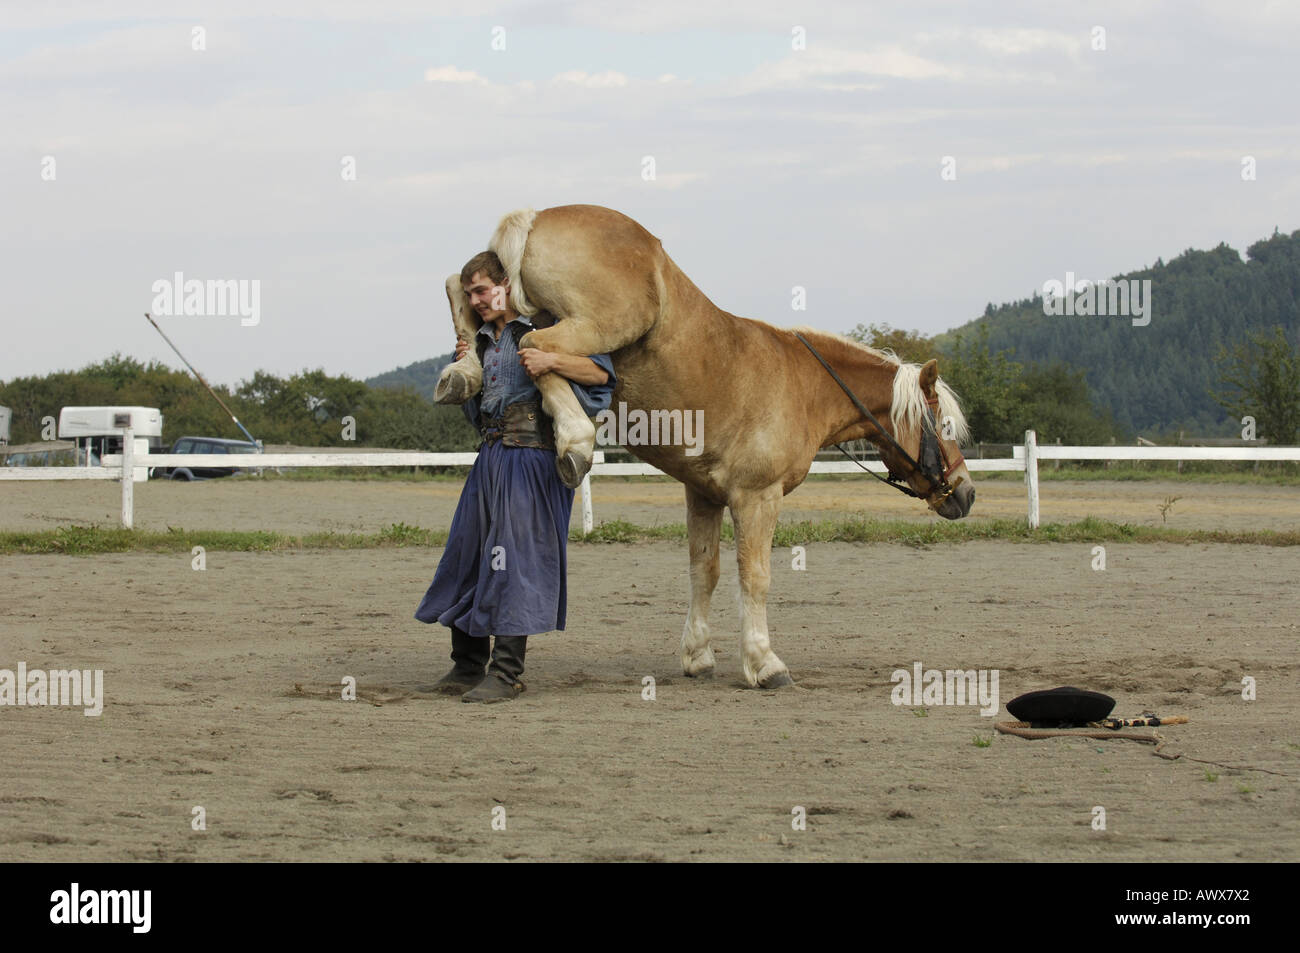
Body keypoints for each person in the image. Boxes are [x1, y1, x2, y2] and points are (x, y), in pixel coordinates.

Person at [415, 251, 616, 703]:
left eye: (482, 290)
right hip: (490, 457)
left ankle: (506, 674)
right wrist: (465, 370)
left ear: (506, 284)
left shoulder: (549, 327)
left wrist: (552, 363)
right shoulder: (480, 342)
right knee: (467, 557)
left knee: (514, 562)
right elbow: (475, 413)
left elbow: (603, 373)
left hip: (534, 458)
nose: (476, 300)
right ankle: (466, 667)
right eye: (469, 294)